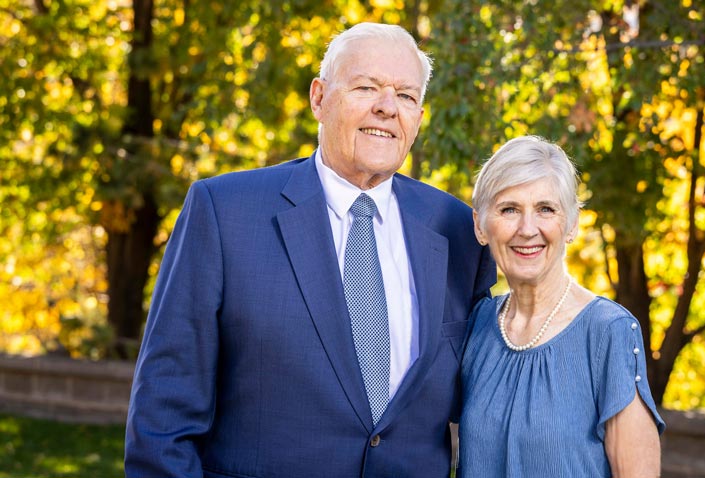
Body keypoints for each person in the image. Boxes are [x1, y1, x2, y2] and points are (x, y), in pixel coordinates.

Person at [125, 23, 496, 478]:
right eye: (366, 87)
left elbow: (492, 389)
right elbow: (162, 421)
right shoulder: (225, 213)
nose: (386, 107)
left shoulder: (459, 229)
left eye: (405, 95)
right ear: (318, 98)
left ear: (419, 117)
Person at [458, 135, 664, 477]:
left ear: (570, 224)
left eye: (545, 209)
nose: (527, 229)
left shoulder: (609, 331)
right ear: (480, 225)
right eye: (509, 209)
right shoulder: (478, 324)